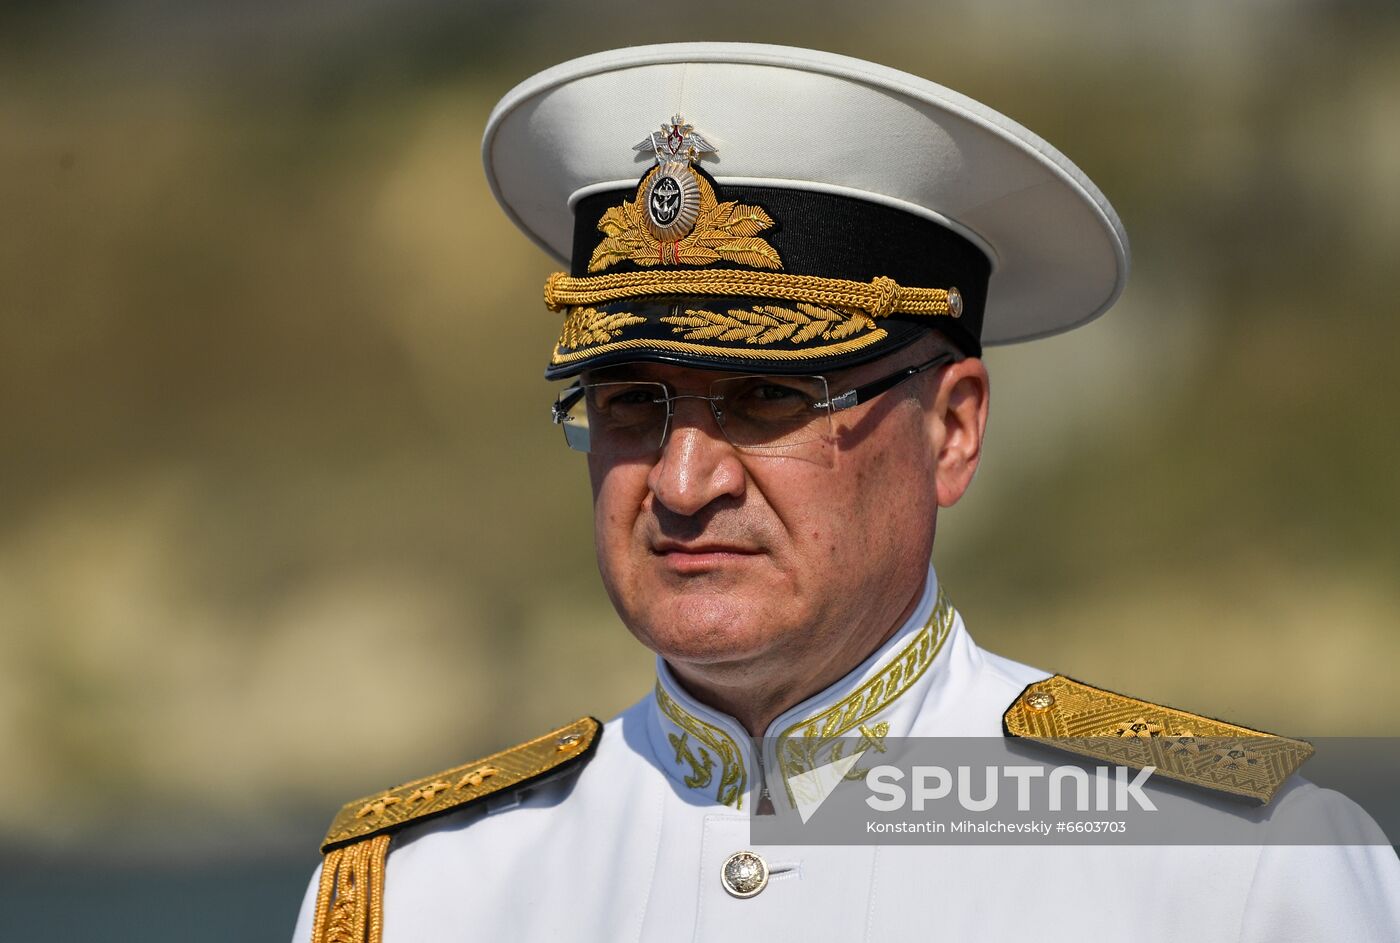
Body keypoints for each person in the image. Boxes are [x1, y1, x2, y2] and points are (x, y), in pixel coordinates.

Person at [290, 44, 1400, 943]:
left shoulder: (1230, 869)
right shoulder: (424, 893)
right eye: (632, 402)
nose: (682, 481)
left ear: (952, 428)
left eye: (767, 398)